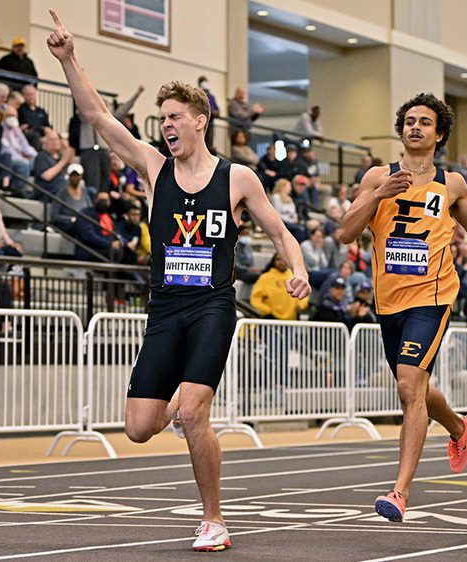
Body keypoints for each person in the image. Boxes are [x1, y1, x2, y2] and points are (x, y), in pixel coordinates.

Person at [48, 10, 311, 552]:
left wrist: (300, 269)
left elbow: (282, 234)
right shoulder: (153, 168)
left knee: (193, 413)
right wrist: (69, 58)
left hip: (213, 306)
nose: (164, 126)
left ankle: (213, 517)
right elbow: (96, 115)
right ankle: (177, 415)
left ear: (199, 120)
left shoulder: (237, 177)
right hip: (164, 309)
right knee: (139, 428)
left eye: (173, 116)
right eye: (160, 118)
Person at [337, 92, 467, 522]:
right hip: (388, 300)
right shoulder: (377, 175)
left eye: (424, 122)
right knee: (414, 385)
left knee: (407, 385)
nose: (415, 127)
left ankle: (399, 492)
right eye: (409, 121)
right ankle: (457, 426)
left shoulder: (452, 184)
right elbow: (345, 233)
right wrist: (379, 194)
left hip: (433, 296)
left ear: (440, 134)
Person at [251, 253, 310, 320]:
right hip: (271, 320)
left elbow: (304, 294)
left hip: (292, 321)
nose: (281, 262)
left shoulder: (295, 277)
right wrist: (267, 310)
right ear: (273, 262)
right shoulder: (265, 278)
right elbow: (255, 299)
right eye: (278, 259)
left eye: (283, 259)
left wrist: (301, 305)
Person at [32, 129, 74, 198]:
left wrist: (66, 149)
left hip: (63, 188)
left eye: (57, 139)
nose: (55, 142)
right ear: (45, 143)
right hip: (48, 192)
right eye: (52, 140)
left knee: (90, 191)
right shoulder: (41, 157)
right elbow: (46, 176)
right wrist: (63, 161)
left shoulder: (59, 157)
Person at [18, 84, 52, 149]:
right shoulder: (21, 109)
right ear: (24, 96)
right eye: (28, 94)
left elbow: (48, 126)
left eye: (32, 94)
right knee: (36, 136)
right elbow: (29, 125)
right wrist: (43, 129)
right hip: (29, 136)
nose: (31, 97)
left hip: (43, 136)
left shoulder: (41, 111)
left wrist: (48, 130)